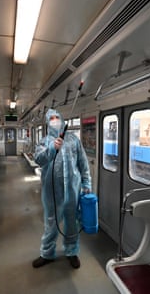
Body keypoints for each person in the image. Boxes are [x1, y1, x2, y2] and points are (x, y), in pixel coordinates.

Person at [33, 109, 92, 269]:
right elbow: (38, 159)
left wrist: (86, 183)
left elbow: (83, 163)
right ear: (47, 122)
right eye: (51, 118)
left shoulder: (74, 140)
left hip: (73, 189)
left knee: (71, 222)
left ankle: (72, 252)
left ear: (62, 119)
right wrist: (52, 147)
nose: (54, 120)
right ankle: (47, 253)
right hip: (52, 191)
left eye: (56, 117)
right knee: (51, 223)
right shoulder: (44, 141)